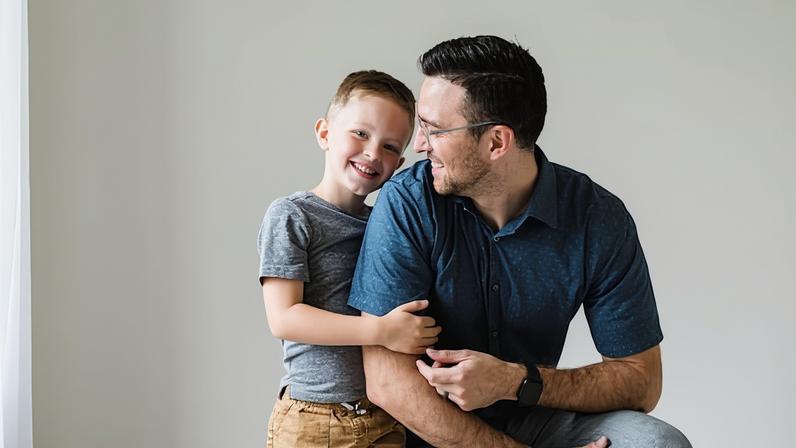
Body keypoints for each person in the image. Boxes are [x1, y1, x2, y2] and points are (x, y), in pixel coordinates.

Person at [347, 36, 692, 447]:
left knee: (657, 443)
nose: (419, 145)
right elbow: (387, 383)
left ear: (497, 142)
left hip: (533, 419)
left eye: (434, 130)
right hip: (423, 431)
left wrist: (515, 381)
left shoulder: (597, 217)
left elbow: (641, 381)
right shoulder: (408, 202)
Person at [257, 70, 442, 447]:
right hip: (315, 416)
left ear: (399, 163)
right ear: (325, 133)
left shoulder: (385, 224)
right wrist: (382, 332)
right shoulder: (292, 216)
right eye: (360, 133)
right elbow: (284, 317)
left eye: (389, 146)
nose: (373, 153)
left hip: (383, 415)